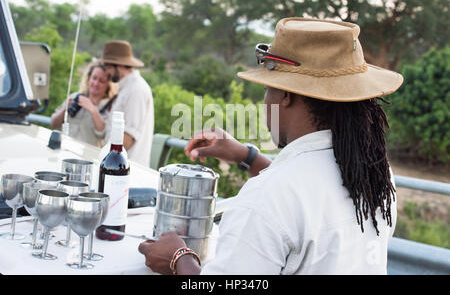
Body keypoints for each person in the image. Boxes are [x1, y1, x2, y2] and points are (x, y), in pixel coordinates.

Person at [138, 17, 405, 275]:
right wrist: (246, 156)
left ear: (286, 95)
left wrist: (178, 258)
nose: (265, 101)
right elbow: (308, 199)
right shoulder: (376, 174)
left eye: (268, 88)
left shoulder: (265, 199)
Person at [99, 40, 154, 166]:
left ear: (119, 65)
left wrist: (103, 159)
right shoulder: (127, 88)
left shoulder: (136, 89)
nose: (106, 72)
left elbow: (128, 138)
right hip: (119, 166)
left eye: (108, 67)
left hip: (128, 169)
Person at [51, 62, 117, 147]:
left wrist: (93, 110)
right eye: (94, 78)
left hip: (87, 156)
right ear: (88, 78)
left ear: (108, 84)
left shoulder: (109, 107)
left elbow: (102, 135)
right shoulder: (75, 97)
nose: (96, 83)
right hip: (65, 148)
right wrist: (64, 109)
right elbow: (53, 124)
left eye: (101, 81)